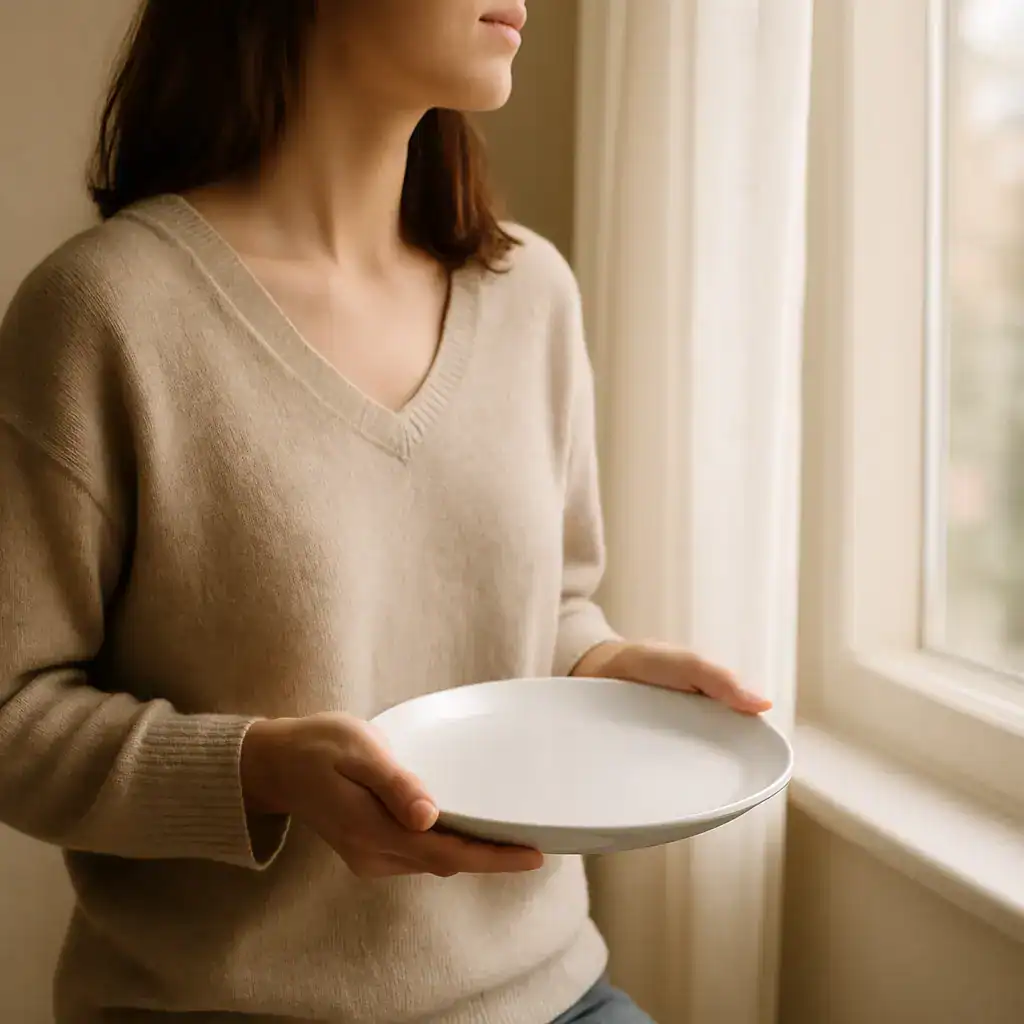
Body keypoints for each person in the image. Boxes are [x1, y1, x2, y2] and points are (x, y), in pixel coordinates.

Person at [0, 3, 772, 1022]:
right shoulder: (103, 313)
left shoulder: (531, 293)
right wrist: (261, 771)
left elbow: (551, 608)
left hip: (551, 992)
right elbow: (14, 711)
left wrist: (603, 668)